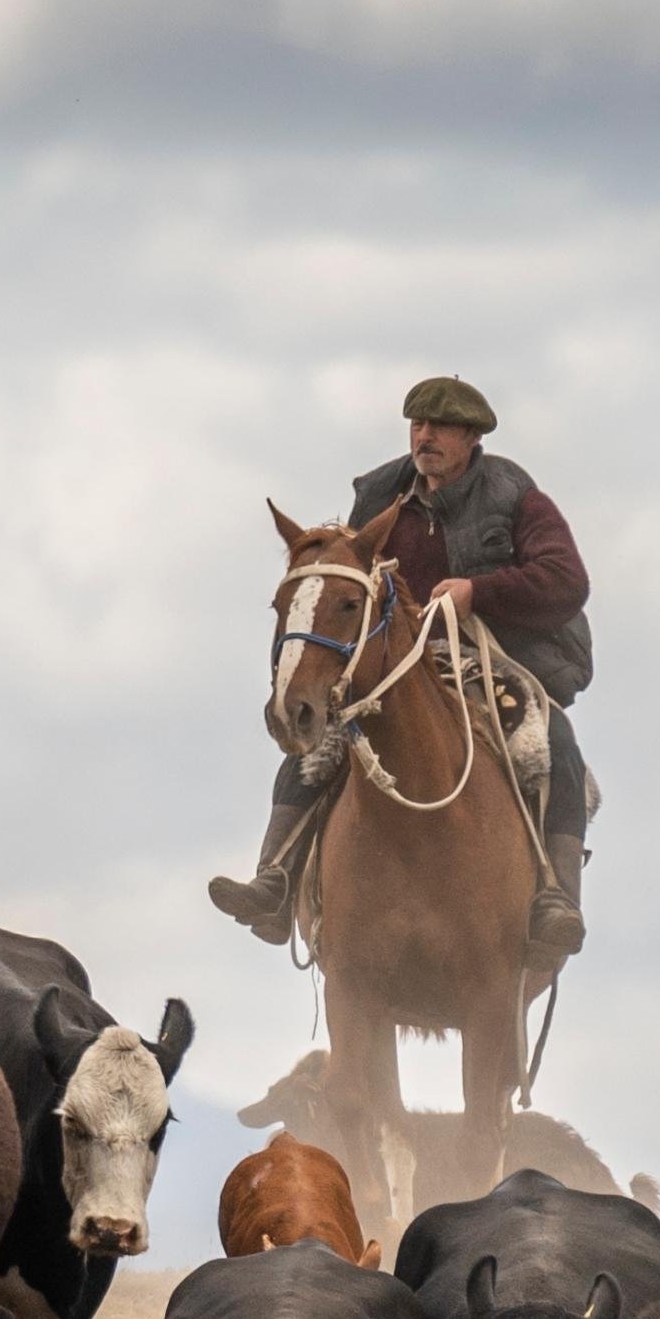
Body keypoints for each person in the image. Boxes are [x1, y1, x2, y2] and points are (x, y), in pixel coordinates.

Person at [209, 375, 597, 970]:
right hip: (394, 664)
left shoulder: (515, 496)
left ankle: (555, 897)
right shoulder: (380, 495)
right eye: (418, 425)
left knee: (552, 743)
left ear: (471, 436)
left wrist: (478, 591)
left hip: (492, 660)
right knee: (316, 746)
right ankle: (275, 883)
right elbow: (347, 579)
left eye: (440, 427)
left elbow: (567, 581)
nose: (426, 437)